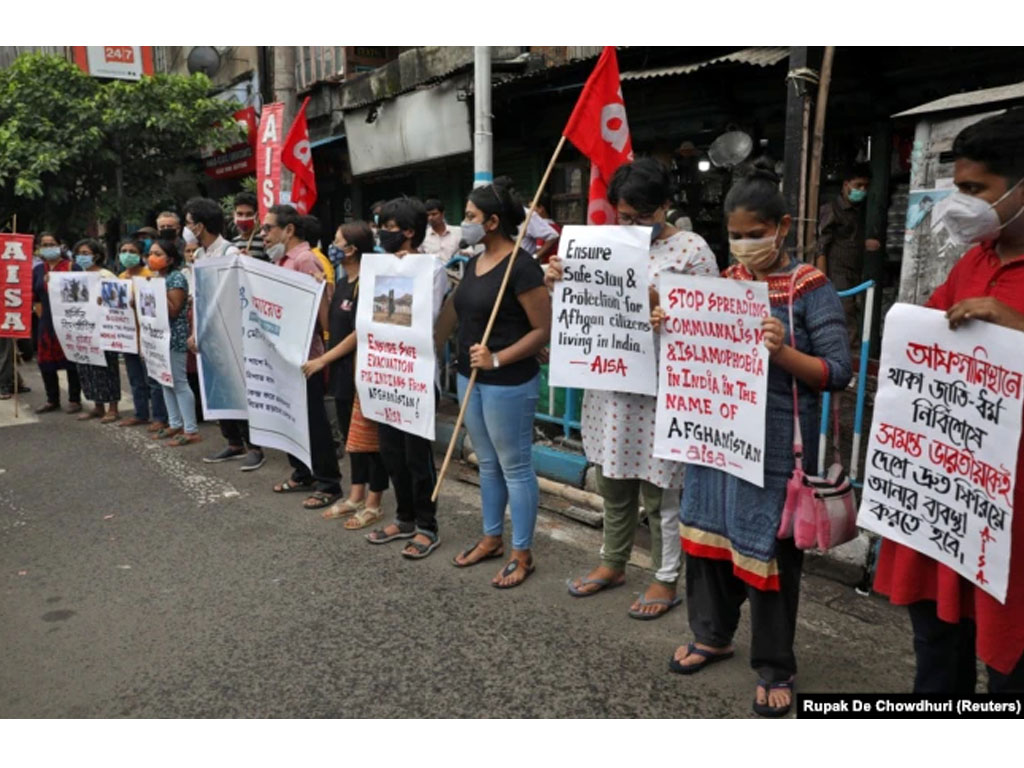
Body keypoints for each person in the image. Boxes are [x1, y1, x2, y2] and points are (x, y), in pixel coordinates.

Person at [664, 159, 851, 717]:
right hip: (716, 442)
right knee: (708, 539)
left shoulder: (810, 288)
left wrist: (783, 352)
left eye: (754, 234)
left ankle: (775, 666)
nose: (743, 245)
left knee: (768, 554)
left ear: (783, 227)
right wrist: (669, 320)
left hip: (773, 450)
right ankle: (712, 634)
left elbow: (837, 371)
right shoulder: (724, 285)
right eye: (735, 236)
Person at [873, 108, 1024, 693]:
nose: (960, 203)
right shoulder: (975, 260)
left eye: (974, 189)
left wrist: (1012, 326)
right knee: (937, 643)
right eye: (956, 187)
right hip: (949, 497)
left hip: (1011, 519)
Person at [547, 158, 718, 616]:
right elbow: (580, 308)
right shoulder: (600, 243)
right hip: (610, 384)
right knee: (613, 481)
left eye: (643, 216)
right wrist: (558, 282)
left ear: (665, 205)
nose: (634, 225)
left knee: (662, 489)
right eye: (625, 216)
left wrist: (658, 302)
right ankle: (613, 562)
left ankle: (665, 578)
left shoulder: (692, 250)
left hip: (663, 389)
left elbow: (712, 321)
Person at [444, 178, 551, 587]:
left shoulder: (522, 267)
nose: (463, 223)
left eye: (469, 217)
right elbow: (460, 314)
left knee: (515, 466)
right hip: (469, 377)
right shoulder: (472, 262)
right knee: (485, 463)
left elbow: (542, 329)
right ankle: (491, 538)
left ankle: (522, 552)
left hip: (509, 381)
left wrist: (498, 358)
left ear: (491, 222)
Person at [364, 196, 449, 559]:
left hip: (414, 374)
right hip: (384, 374)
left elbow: (425, 321)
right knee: (391, 452)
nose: (383, 233)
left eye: (390, 228)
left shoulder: (432, 269)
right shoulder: (376, 268)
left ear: (410, 233)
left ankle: (427, 526)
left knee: (417, 456)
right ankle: (404, 518)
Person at [302, 221, 390, 530]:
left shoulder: (366, 283)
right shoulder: (341, 281)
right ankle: (355, 495)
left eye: (337, 241)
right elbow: (331, 324)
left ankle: (374, 503)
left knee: (371, 441)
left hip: (360, 372)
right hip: (341, 372)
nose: (332, 246)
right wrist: (323, 291)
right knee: (353, 440)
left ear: (351, 249)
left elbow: (358, 332)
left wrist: (322, 359)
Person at [264, 205, 343, 509]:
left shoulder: (305, 259)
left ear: (289, 230)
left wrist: (327, 343)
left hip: (305, 356)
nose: (264, 235)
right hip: (283, 354)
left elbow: (322, 306)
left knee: (313, 419)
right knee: (290, 416)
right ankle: (302, 472)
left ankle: (328, 482)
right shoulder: (282, 261)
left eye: (269, 228)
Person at [184, 198, 264, 469]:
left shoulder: (231, 254)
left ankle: (254, 445)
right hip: (209, 334)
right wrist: (195, 332)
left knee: (239, 385)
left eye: (190, 222)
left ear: (201, 226)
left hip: (232, 333)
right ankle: (232, 441)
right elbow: (198, 298)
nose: (187, 227)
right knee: (216, 385)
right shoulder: (199, 256)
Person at [816, 162, 881, 346]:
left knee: (853, 314)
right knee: (844, 318)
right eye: (858, 185)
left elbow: (849, 240)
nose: (862, 190)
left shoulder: (856, 212)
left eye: (866, 187)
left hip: (853, 272)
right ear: (846, 185)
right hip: (837, 274)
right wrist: (822, 280)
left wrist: (863, 244)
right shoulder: (832, 210)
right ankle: (848, 362)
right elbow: (821, 245)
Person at [146, 239, 201, 446]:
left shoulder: (175, 278)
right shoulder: (156, 277)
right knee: (164, 381)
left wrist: (153, 291)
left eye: (158, 253)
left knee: (178, 382)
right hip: (158, 337)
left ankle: (191, 429)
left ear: (169, 258)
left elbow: (174, 309)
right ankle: (175, 422)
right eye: (150, 253)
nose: (152, 257)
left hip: (173, 336)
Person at [115, 237, 169, 430]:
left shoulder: (150, 276)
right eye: (124, 250)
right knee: (135, 378)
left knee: (153, 379)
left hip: (147, 336)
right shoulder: (120, 278)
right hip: (127, 336)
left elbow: (154, 306)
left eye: (132, 251)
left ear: (140, 256)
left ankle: (160, 417)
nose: (127, 255)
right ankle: (140, 413)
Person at [71, 238, 121, 423]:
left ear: (97, 256)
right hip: (85, 330)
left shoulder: (106, 275)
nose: (81, 257)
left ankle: (113, 408)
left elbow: (117, 302)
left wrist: (104, 302)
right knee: (88, 368)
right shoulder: (78, 276)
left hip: (104, 329)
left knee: (107, 368)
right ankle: (98, 406)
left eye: (86, 254)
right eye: (79, 254)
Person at [31, 232, 83, 413]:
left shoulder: (71, 267)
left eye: (51, 243)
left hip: (69, 318)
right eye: (44, 245)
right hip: (46, 320)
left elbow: (81, 295)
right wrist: (41, 316)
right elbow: (34, 297)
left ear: (60, 245)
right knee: (45, 361)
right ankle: (52, 399)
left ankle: (75, 399)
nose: (48, 247)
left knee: (71, 359)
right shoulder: (38, 270)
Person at [229, 192, 266, 261]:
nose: (244, 218)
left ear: (256, 216)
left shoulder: (265, 241)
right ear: (234, 215)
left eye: (249, 214)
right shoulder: (233, 243)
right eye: (240, 214)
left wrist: (251, 261)